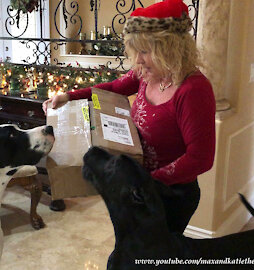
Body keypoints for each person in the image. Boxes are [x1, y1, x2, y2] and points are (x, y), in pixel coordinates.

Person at [42, 0, 215, 234]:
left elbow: (200, 158)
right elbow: (112, 88)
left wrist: (146, 183)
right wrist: (70, 96)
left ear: (172, 47)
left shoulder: (194, 90)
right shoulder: (146, 73)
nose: (139, 60)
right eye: (136, 51)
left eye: (146, 51)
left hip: (170, 195)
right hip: (137, 187)